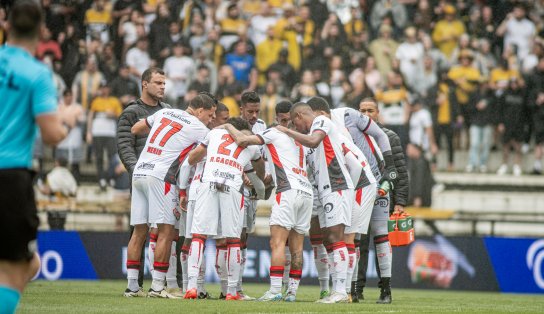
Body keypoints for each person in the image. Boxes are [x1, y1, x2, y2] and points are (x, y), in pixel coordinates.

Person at [0, 1, 75, 312]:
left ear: (6, 26)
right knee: (21, 270)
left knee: (29, 264)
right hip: (9, 175)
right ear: (43, 31)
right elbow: (52, 135)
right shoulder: (36, 73)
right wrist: (68, 116)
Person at [125, 94, 215, 298]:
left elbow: (135, 129)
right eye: (210, 115)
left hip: (140, 170)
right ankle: (157, 287)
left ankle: (132, 287)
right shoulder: (199, 128)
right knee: (166, 231)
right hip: (161, 176)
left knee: (139, 231)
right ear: (200, 111)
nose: (210, 120)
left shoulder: (165, 112)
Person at [223, 112, 313, 302]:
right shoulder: (300, 143)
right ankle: (292, 293)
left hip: (288, 191)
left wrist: (227, 126)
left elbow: (242, 140)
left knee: (277, 243)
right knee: (297, 248)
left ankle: (274, 290)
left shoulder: (273, 133)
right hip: (306, 192)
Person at [276, 103, 354, 304]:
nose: (296, 127)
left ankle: (340, 291)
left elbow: (312, 141)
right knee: (330, 238)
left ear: (301, 115)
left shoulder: (321, 121)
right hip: (327, 190)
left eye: (295, 123)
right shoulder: (310, 138)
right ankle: (338, 291)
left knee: (336, 237)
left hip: (337, 185)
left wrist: (286, 131)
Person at [185, 117, 265, 301]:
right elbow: (260, 171)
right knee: (233, 240)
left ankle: (191, 287)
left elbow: (192, 158)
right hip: (232, 186)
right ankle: (231, 291)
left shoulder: (214, 133)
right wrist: (254, 174)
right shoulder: (251, 144)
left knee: (198, 236)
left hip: (208, 183)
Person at [117, 67, 171, 294]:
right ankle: (139, 283)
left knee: (160, 230)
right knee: (144, 229)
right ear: (144, 84)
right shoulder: (131, 111)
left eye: (164, 83)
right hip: (142, 175)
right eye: (158, 82)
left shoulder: (167, 110)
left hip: (163, 177)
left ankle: (160, 282)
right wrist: (134, 168)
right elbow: (123, 144)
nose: (162, 87)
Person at [357, 98, 409, 304]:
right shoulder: (352, 137)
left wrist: (401, 201)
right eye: (362, 111)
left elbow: (400, 172)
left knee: (382, 242)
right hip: (359, 196)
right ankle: (356, 290)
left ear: (378, 113)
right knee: (358, 244)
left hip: (383, 197)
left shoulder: (389, 137)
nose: (367, 114)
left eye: (370, 110)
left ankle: (385, 290)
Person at [236, 91, 271, 300]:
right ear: (241, 109)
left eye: (257, 111)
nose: (254, 115)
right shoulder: (234, 125)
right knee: (234, 235)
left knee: (245, 235)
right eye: (250, 111)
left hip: (253, 190)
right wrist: (242, 175)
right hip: (236, 185)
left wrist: (263, 176)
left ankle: (237, 287)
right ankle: (232, 287)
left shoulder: (262, 127)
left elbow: (263, 157)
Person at [86, 81, 123, 191]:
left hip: (110, 133)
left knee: (112, 157)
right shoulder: (96, 101)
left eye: (106, 88)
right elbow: (90, 117)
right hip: (97, 132)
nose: (104, 90)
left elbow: (121, 116)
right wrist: (89, 132)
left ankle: (111, 177)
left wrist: (113, 114)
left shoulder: (114, 101)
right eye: (102, 88)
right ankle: (101, 179)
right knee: (99, 157)